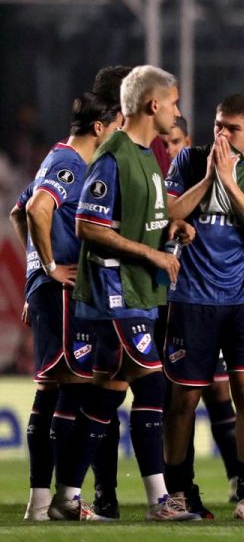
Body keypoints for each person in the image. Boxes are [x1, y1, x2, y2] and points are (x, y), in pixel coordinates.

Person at [65, 65, 198, 522]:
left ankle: (65, 496)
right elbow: (88, 225)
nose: (178, 112)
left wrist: (173, 230)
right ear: (152, 104)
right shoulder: (114, 154)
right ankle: (160, 501)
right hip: (113, 290)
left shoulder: (147, 156)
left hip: (140, 291)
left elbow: (147, 220)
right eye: (174, 102)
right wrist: (154, 255)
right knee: (152, 383)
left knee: (106, 396)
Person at [162, 93, 244, 521]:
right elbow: (169, 212)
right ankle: (179, 492)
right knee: (183, 400)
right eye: (217, 125)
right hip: (191, 299)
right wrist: (211, 177)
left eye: (231, 127)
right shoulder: (188, 161)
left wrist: (230, 183)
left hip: (243, 300)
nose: (222, 134)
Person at [11, 71, 125, 521]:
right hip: (63, 293)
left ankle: (41, 504)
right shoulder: (72, 164)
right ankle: (63, 502)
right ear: (99, 127)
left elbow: (17, 211)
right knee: (73, 393)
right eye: (114, 127)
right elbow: (37, 210)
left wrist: (34, 271)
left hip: (48, 290)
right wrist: (51, 267)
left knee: (49, 392)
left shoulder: (55, 155)